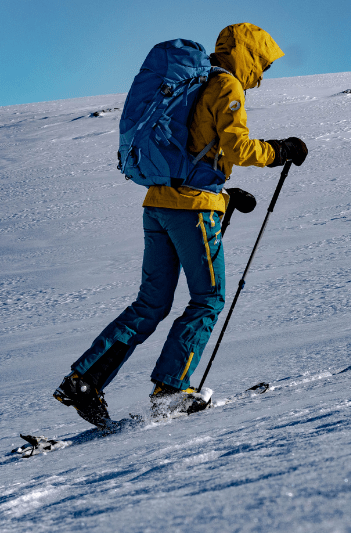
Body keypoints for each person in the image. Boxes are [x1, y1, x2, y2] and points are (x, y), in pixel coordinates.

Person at [54, 23, 308, 427]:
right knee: (208, 299)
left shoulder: (195, 84)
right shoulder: (227, 87)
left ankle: (84, 380)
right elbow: (238, 148)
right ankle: (170, 389)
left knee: (150, 304)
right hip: (193, 210)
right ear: (246, 55)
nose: (261, 76)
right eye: (261, 64)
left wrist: (225, 196)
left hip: (159, 204)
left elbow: (190, 153)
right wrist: (281, 151)